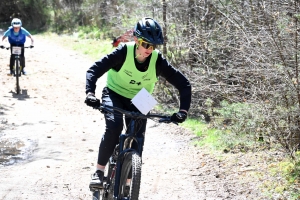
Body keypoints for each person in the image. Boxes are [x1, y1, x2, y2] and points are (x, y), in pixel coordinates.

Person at [85, 17, 192, 189]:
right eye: (146, 44)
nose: (149, 49)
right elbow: (94, 70)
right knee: (114, 126)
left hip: (141, 97)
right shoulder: (123, 52)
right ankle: (98, 172)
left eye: (153, 45)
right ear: (136, 40)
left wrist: (183, 111)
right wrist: (90, 93)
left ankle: (129, 183)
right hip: (115, 92)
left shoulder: (158, 61)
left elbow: (184, 84)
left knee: (138, 137)